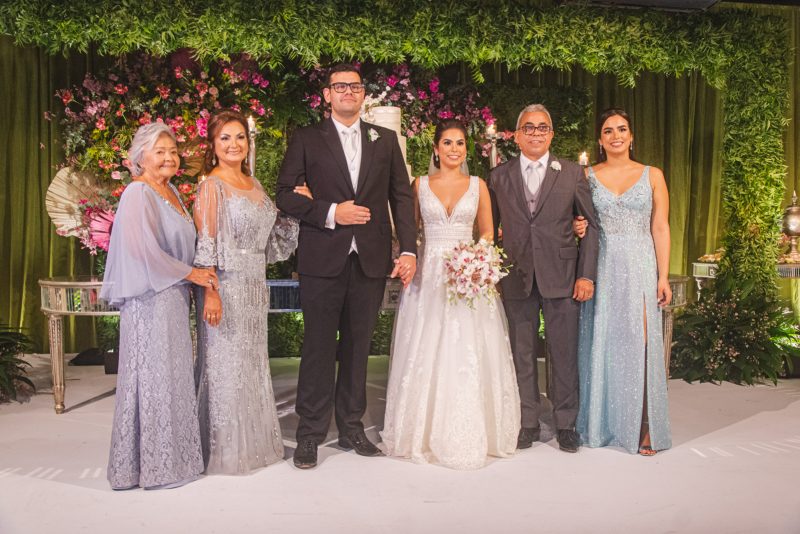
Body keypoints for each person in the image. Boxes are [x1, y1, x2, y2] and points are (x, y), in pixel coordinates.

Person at [276, 64, 417, 469]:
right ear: (327, 94)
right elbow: (285, 193)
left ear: (363, 94)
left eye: (354, 87)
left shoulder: (385, 139)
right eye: (340, 87)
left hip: (370, 260)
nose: (348, 93)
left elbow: (401, 198)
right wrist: (333, 211)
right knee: (317, 346)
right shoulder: (306, 138)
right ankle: (309, 433)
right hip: (323, 258)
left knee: (358, 347)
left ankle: (352, 426)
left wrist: (407, 249)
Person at [381, 120, 520, 469]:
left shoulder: (478, 186)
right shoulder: (419, 185)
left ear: (466, 149)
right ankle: (421, 431)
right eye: (447, 142)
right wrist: (405, 257)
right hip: (429, 275)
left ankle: (473, 429)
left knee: (469, 348)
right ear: (436, 148)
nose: (454, 149)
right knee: (426, 344)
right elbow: (408, 232)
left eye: (460, 143)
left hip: (468, 274)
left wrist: (476, 259)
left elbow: (487, 231)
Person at [101, 122, 217, 490]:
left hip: (171, 295)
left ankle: (174, 461)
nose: (168, 157)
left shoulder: (169, 192)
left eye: (172, 151)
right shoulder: (138, 193)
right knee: (151, 378)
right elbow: (143, 251)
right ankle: (151, 466)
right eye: (159, 152)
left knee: (171, 375)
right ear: (141, 157)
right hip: (149, 300)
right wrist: (192, 274)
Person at [193, 110, 307, 474]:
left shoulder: (254, 185)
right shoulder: (211, 185)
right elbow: (206, 243)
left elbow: (272, 246)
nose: (233, 144)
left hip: (255, 286)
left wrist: (298, 211)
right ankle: (224, 448)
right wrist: (211, 291)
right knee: (226, 366)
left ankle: (255, 442)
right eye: (225, 138)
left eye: (239, 136)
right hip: (225, 286)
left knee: (253, 364)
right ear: (213, 145)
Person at [488, 104, 599, 453]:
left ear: (551, 134)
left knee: (564, 352)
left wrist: (586, 276)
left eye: (543, 128)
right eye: (528, 128)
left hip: (563, 275)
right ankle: (528, 421)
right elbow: (489, 232)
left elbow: (591, 226)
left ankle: (566, 422)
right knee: (522, 352)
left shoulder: (571, 174)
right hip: (516, 276)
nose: (536, 133)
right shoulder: (498, 176)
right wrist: (489, 271)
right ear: (516, 135)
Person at [575, 108, 672, 455]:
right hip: (602, 264)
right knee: (602, 342)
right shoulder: (586, 176)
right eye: (608, 131)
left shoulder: (653, 175)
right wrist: (578, 227)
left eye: (622, 129)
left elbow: (660, 227)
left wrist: (663, 275)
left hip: (641, 265)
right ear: (600, 140)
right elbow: (578, 219)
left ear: (632, 136)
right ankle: (600, 423)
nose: (616, 135)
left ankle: (645, 427)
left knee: (642, 344)